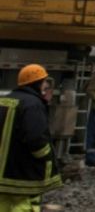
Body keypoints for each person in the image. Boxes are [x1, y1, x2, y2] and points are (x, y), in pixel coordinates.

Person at [0, 64, 64, 210]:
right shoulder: (33, 104)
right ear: (38, 83)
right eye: (44, 82)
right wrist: (46, 156)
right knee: (23, 203)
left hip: (3, 172)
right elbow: (35, 138)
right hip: (21, 172)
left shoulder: (4, 100)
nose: (46, 85)